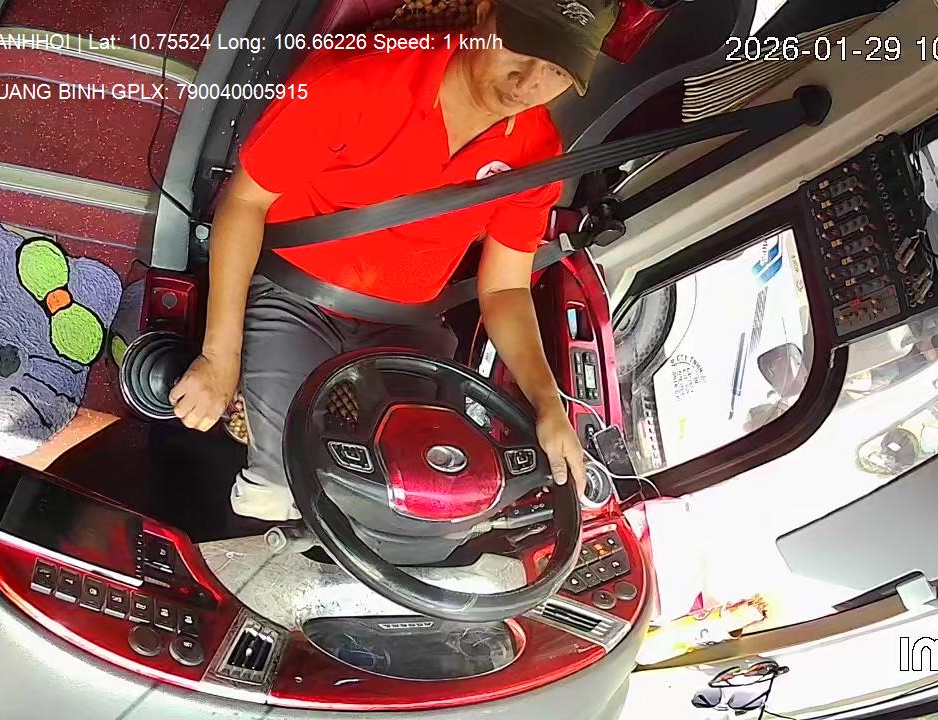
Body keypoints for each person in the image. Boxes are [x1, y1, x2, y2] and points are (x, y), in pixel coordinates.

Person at [169, 0, 619, 520]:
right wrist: (218, 357)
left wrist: (547, 401)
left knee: (425, 492)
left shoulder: (538, 153)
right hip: (297, 293)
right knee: (281, 488)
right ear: (484, 13)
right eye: (521, 48)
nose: (529, 83)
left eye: (557, 71)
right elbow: (246, 202)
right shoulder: (355, 78)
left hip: (408, 324)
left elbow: (505, 288)